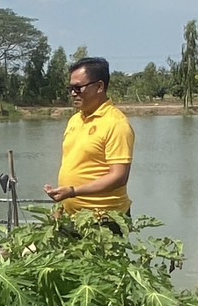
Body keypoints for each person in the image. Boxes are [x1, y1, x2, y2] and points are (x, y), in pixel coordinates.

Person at [43, 56, 134, 222]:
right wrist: (61, 207)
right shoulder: (75, 120)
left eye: (78, 88)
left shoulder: (116, 124)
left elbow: (119, 176)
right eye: (70, 88)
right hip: (71, 217)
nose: (73, 93)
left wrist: (73, 191)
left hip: (104, 220)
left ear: (99, 86)